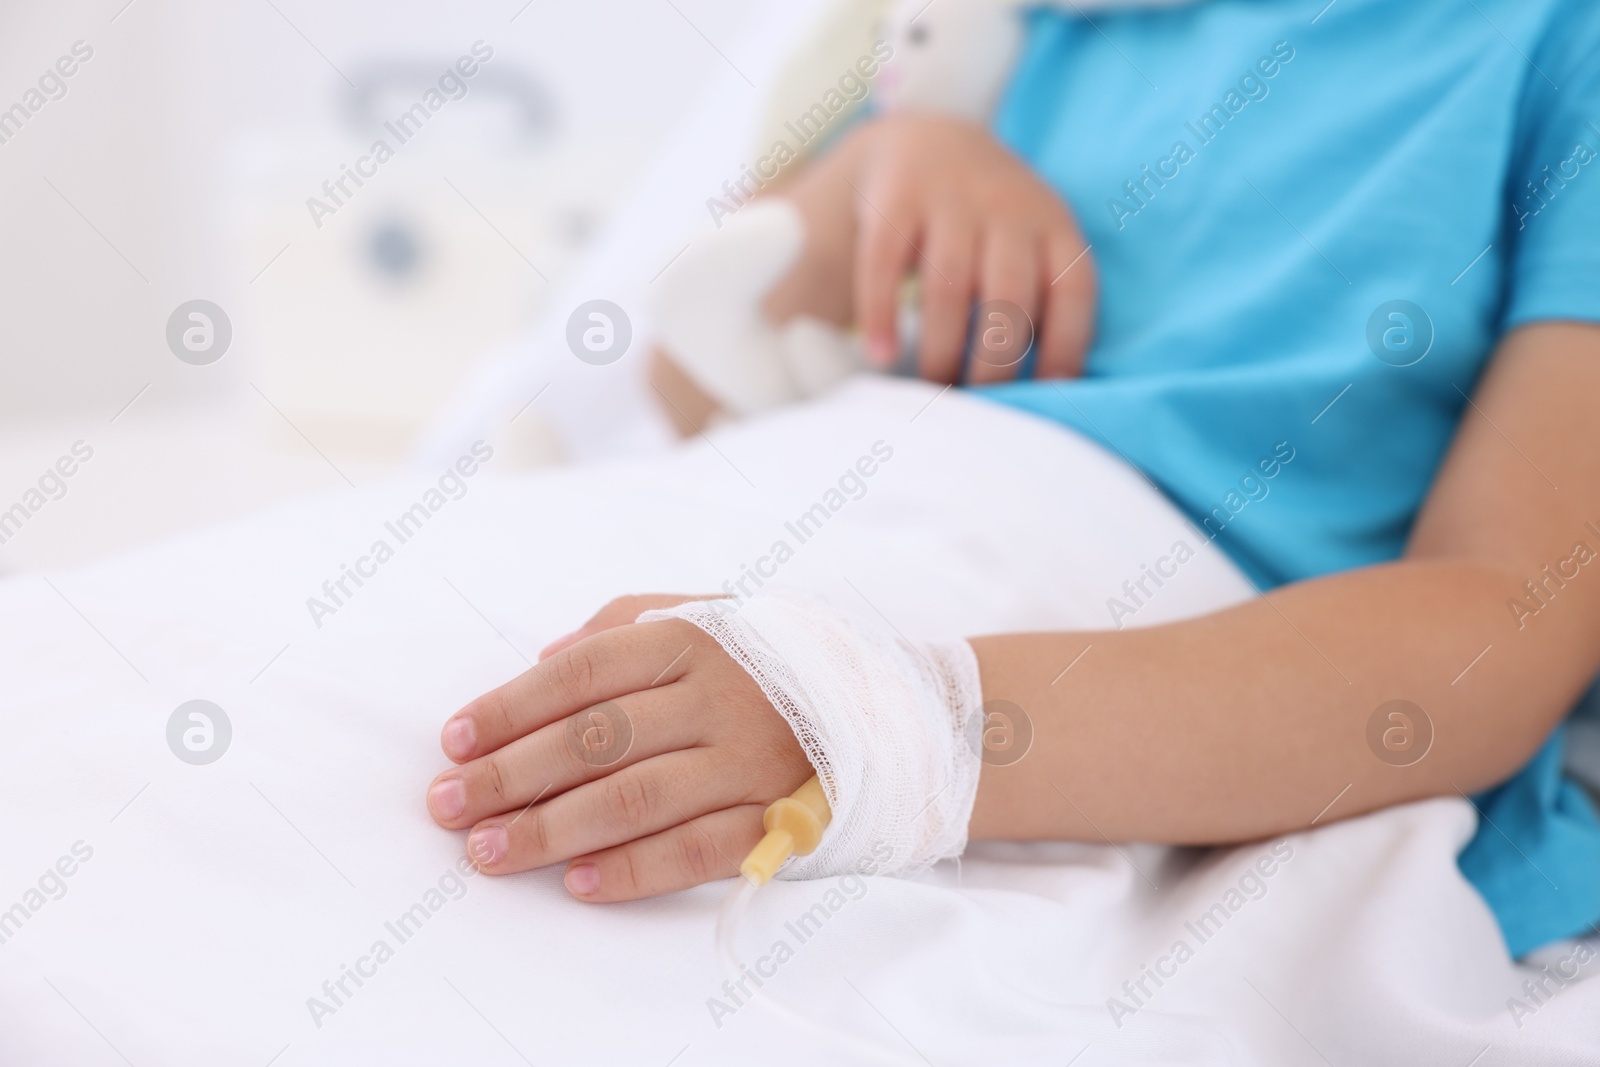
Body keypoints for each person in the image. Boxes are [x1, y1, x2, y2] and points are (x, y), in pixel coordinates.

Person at [426, 0, 1600, 957]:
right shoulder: (1018, 28)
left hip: (1130, 673)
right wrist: (876, 178)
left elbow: (1508, 609)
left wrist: (892, 722)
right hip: (752, 495)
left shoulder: (1553, 46)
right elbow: (677, 377)